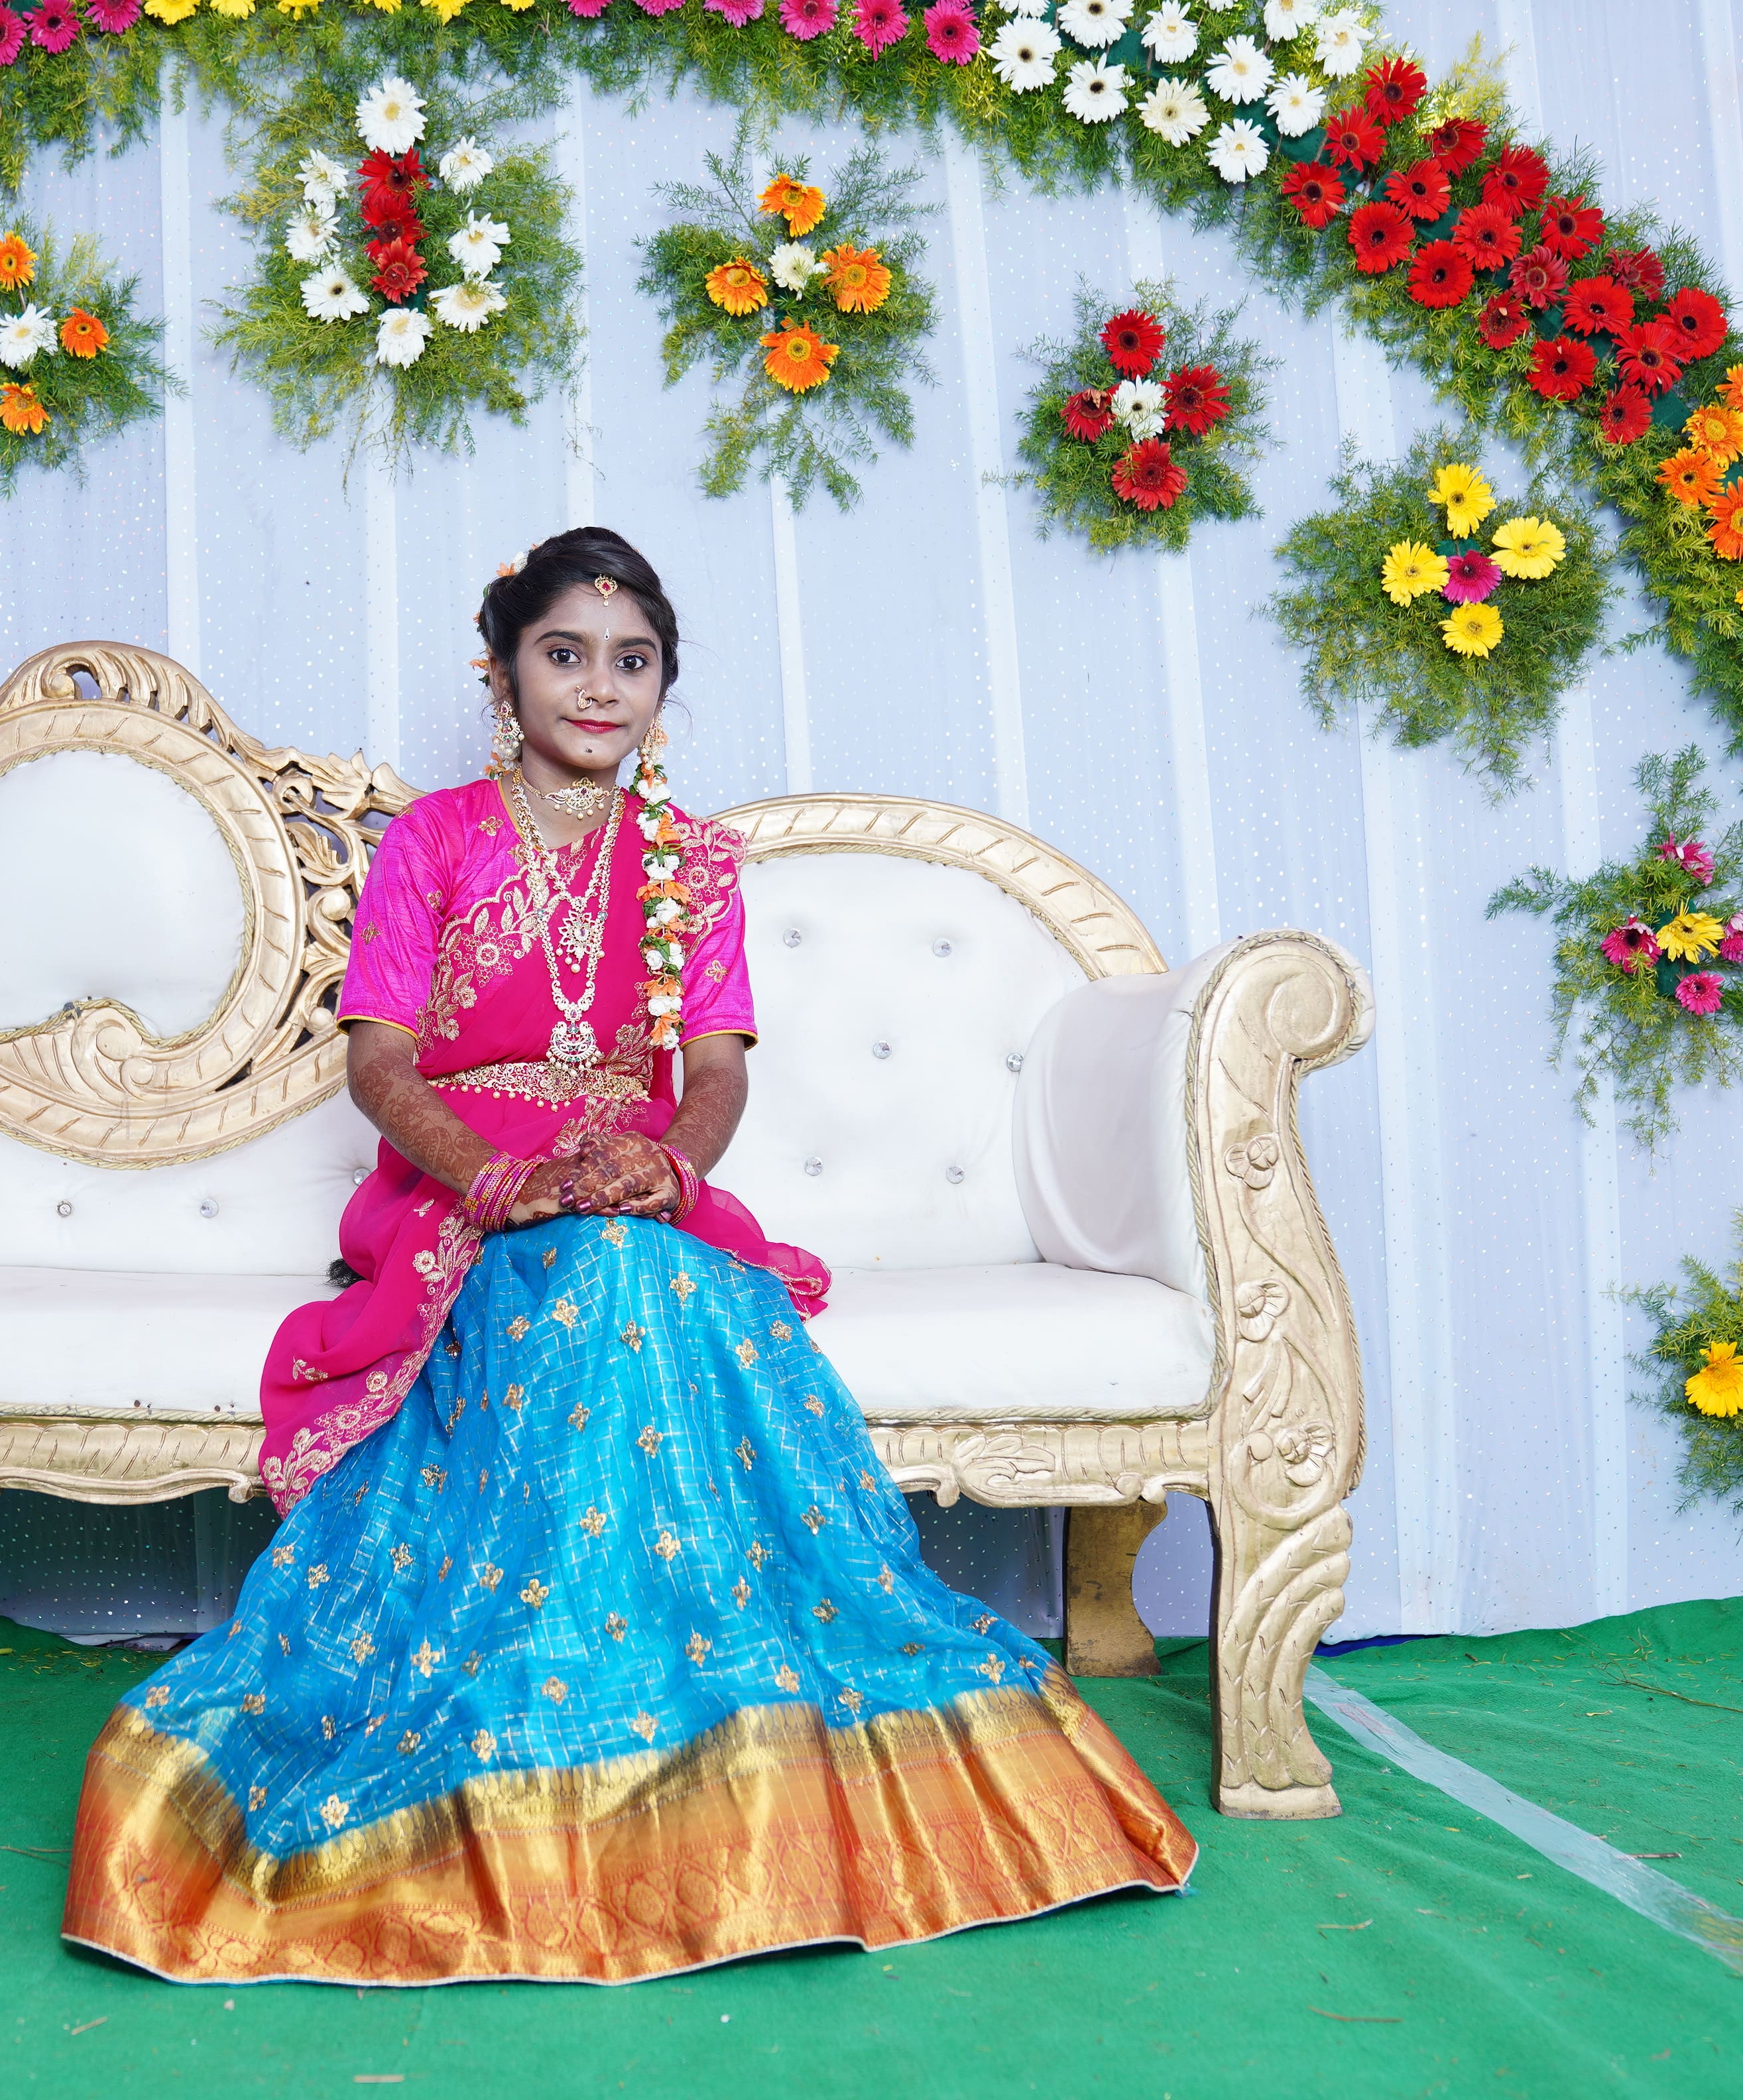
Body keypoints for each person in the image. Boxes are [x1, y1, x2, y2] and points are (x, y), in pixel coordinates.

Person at [62, 528, 1195, 1984]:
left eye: (633, 662)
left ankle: (691, 1738)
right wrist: (496, 1178)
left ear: (664, 683)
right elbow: (382, 1063)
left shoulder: (694, 862)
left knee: (636, 1273)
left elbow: (715, 1068)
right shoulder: (437, 841)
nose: (600, 688)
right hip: (465, 1190)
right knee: (591, 1278)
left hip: (642, 1186)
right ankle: (545, 1730)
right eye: (565, 654)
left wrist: (666, 1164)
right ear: (502, 667)